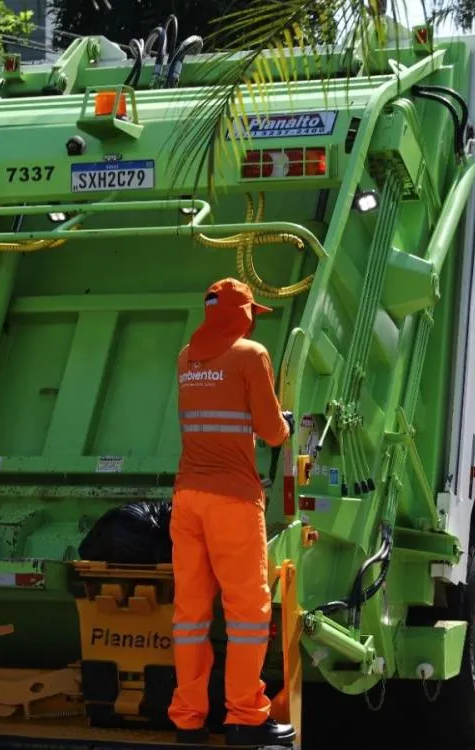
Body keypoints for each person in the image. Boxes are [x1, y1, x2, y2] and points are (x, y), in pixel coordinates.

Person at [169, 278, 296, 747]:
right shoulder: (251, 354)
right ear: (242, 315)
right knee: (246, 612)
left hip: (187, 499)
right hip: (233, 500)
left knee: (190, 615)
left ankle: (188, 718)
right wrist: (284, 424)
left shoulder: (186, 358)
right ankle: (245, 716)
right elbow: (271, 429)